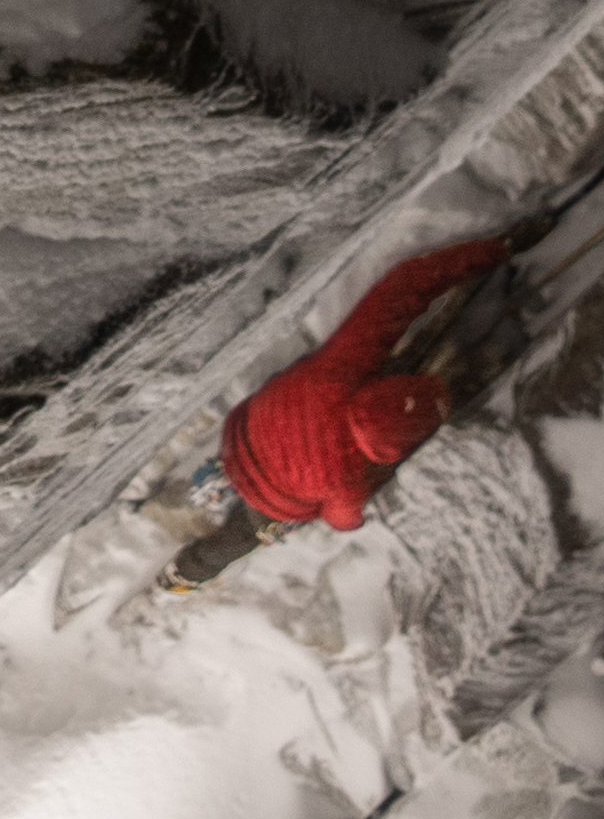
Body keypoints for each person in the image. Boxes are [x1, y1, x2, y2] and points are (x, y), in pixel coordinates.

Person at [171, 236, 508, 583]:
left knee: (242, 534)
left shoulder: (338, 375)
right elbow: (405, 287)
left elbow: (405, 287)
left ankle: (188, 570)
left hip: (252, 435)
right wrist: (498, 249)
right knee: (243, 534)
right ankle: (187, 571)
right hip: (252, 453)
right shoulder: (342, 456)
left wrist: (493, 249)